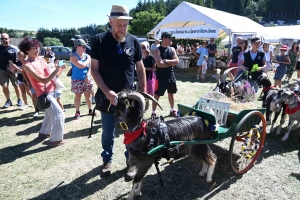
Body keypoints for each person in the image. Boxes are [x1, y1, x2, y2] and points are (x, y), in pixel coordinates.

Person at [90, 4, 146, 178]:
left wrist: (143, 93)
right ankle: (107, 160)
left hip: (130, 99)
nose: (122, 29)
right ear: (110, 21)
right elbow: (94, 70)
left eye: (125, 25)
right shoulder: (98, 40)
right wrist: (107, 92)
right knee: (108, 132)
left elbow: (140, 68)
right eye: (118, 25)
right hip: (107, 99)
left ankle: (131, 162)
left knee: (131, 132)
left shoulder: (134, 41)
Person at [20, 37, 66, 146]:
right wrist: (55, 70)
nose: (37, 50)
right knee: (59, 114)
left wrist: (59, 69)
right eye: (34, 48)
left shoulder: (41, 59)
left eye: (38, 47)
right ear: (26, 50)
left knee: (49, 113)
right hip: (44, 94)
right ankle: (56, 139)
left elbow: (51, 76)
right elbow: (43, 80)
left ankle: (44, 133)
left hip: (52, 90)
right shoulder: (27, 65)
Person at [152, 31, 179, 117]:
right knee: (157, 95)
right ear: (164, 38)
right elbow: (159, 64)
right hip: (160, 76)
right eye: (169, 38)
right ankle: (153, 112)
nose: (171, 40)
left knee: (171, 93)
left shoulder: (172, 49)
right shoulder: (157, 50)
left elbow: (177, 61)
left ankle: (172, 110)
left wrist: (166, 61)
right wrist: (171, 63)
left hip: (170, 75)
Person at [70, 39, 95, 119]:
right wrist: (89, 59)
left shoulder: (87, 56)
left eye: (85, 46)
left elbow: (90, 67)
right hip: (77, 79)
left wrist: (88, 75)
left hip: (86, 79)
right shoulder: (73, 56)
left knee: (88, 96)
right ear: (77, 46)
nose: (85, 48)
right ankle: (77, 112)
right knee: (78, 96)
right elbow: (82, 65)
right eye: (83, 47)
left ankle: (90, 110)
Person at [0, 33, 23, 108]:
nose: (3, 40)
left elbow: (20, 57)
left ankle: (19, 99)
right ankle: (8, 100)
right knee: (4, 86)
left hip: (13, 70)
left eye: (5, 38)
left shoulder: (14, 48)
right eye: (2, 39)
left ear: (9, 39)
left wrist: (17, 68)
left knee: (16, 86)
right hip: (2, 70)